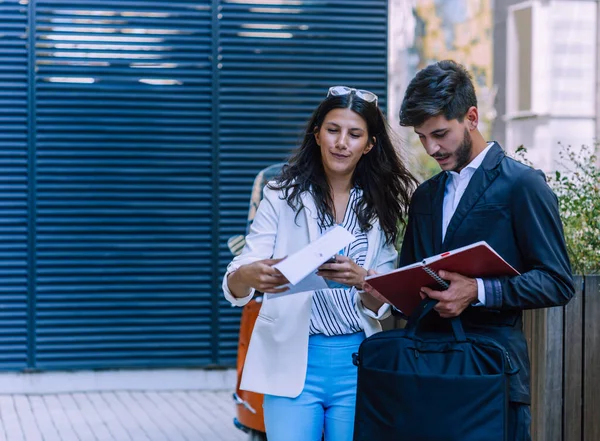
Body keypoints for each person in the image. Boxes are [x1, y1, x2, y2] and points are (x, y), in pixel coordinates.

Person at [392, 60, 574, 440]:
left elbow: (558, 281)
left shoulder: (523, 185)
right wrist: (385, 289)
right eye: (422, 137)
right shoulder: (425, 195)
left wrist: (479, 290)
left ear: (471, 117)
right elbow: (410, 281)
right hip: (424, 371)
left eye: (439, 134)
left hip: (492, 373)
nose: (431, 148)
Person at [222, 86, 417, 441]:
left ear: (369, 144)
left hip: (358, 362)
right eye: (333, 130)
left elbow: (386, 297)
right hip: (291, 363)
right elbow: (238, 276)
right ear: (317, 135)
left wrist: (363, 280)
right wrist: (252, 274)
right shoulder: (280, 194)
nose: (342, 142)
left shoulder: (380, 204)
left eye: (354, 134)